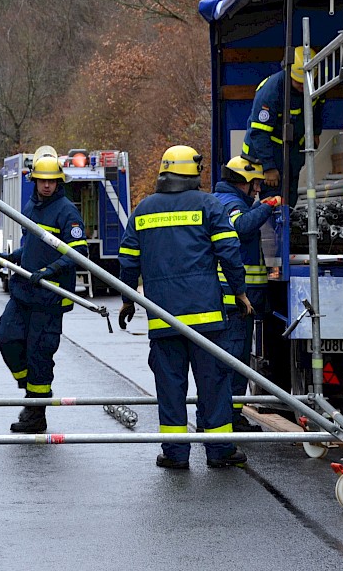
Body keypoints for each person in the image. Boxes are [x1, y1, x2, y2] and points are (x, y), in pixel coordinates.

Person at [117, 145, 251, 470]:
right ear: (194, 172)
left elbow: (127, 261)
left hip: (163, 320)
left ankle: (175, 454)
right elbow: (230, 253)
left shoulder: (143, 209)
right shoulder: (210, 205)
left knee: (170, 387)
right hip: (206, 318)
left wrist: (127, 301)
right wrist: (241, 293)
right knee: (214, 386)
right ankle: (219, 452)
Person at [0, 150, 88, 433]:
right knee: (6, 337)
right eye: (42, 180)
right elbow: (30, 247)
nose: (47, 185)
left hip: (50, 296)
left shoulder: (67, 211)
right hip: (23, 292)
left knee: (39, 354)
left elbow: (79, 252)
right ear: (34, 181)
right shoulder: (30, 208)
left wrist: (50, 270)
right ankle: (28, 386)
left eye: (52, 181)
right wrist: (8, 258)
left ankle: (35, 412)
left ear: (59, 182)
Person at [214, 156, 281, 431]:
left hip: (235, 298)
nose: (257, 190)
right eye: (255, 184)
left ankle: (229, 415)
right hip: (234, 300)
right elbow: (240, 228)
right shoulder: (230, 203)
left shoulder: (226, 199)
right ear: (243, 181)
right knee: (235, 359)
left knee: (234, 359)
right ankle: (230, 418)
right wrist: (266, 206)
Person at [241, 46, 324, 205]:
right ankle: (275, 229)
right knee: (273, 200)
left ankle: (288, 226)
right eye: (298, 82)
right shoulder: (272, 91)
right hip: (268, 151)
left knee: (290, 198)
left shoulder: (315, 83)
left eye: (306, 82)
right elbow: (259, 133)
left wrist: (315, 132)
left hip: (292, 151)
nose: (303, 86)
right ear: (289, 73)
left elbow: (318, 108)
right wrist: (269, 167)